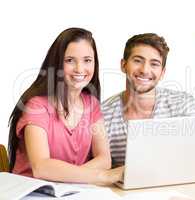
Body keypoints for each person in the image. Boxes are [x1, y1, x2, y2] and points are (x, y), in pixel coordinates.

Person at [8, 28, 123, 185]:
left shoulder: (92, 104)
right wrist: (102, 176)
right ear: (56, 64)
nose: (79, 69)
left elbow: (104, 160)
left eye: (87, 60)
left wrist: (71, 177)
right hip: (33, 194)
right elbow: (41, 167)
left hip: (73, 193)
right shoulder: (36, 106)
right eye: (70, 60)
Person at [102, 33, 195, 167]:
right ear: (123, 65)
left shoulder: (184, 105)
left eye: (154, 64)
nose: (145, 70)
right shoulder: (103, 114)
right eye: (137, 60)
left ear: (162, 73)